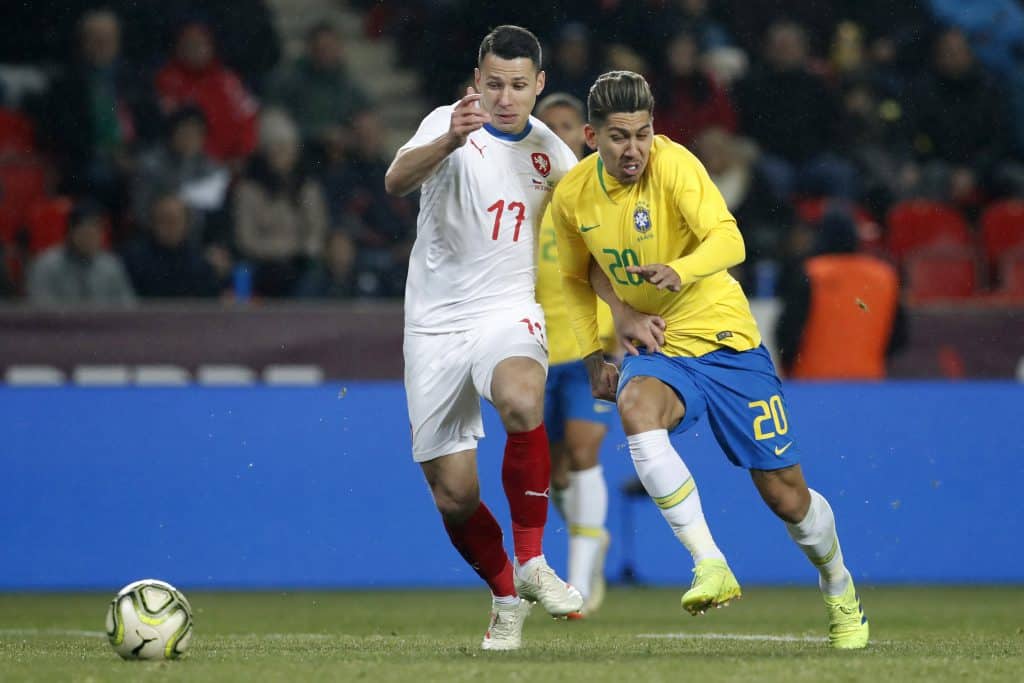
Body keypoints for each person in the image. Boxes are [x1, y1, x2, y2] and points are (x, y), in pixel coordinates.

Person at [549, 70, 870, 649]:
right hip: (661, 343)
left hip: (726, 341)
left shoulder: (674, 164)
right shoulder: (573, 195)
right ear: (592, 138)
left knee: (787, 497)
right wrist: (604, 341)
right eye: (619, 137)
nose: (634, 149)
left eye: (642, 134)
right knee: (635, 406)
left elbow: (729, 240)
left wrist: (682, 269)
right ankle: (709, 562)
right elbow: (577, 274)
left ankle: (838, 584)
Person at [384, 25, 582, 651]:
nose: (504, 97)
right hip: (435, 325)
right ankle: (505, 596)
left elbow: (588, 242)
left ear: (539, 84)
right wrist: (448, 139)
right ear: (477, 81)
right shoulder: (446, 124)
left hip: (508, 310)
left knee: (522, 399)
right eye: (494, 84)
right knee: (454, 494)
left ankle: (532, 560)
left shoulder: (554, 155)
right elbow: (395, 181)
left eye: (518, 85)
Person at [534, 93, 615, 617]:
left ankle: (579, 584)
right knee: (553, 473)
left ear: (584, 136)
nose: (558, 134)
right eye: (549, 127)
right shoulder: (522, 197)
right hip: (533, 352)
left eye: (567, 125)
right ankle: (592, 536)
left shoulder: (603, 196)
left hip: (593, 348)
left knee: (585, 452)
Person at [774, 206, 905, 379]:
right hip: (867, 382)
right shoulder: (884, 276)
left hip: (812, 383)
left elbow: (788, 333)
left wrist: (789, 368)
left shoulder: (812, 273)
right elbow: (899, 336)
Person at [233, 110, 328, 297]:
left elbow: (316, 230)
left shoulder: (307, 188)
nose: (282, 154)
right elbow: (246, 239)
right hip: (262, 264)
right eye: (276, 147)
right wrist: (281, 250)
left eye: (286, 147)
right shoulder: (248, 191)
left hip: (299, 265)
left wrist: (304, 251)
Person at [26, 200, 135, 307]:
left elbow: (128, 307)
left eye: (97, 230)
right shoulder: (46, 265)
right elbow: (40, 310)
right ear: (70, 231)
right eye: (86, 231)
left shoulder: (111, 265)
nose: (91, 237)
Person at [122, 193, 229, 298]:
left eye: (174, 221)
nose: (169, 227)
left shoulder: (200, 262)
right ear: (152, 223)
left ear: (186, 224)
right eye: (163, 220)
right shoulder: (134, 260)